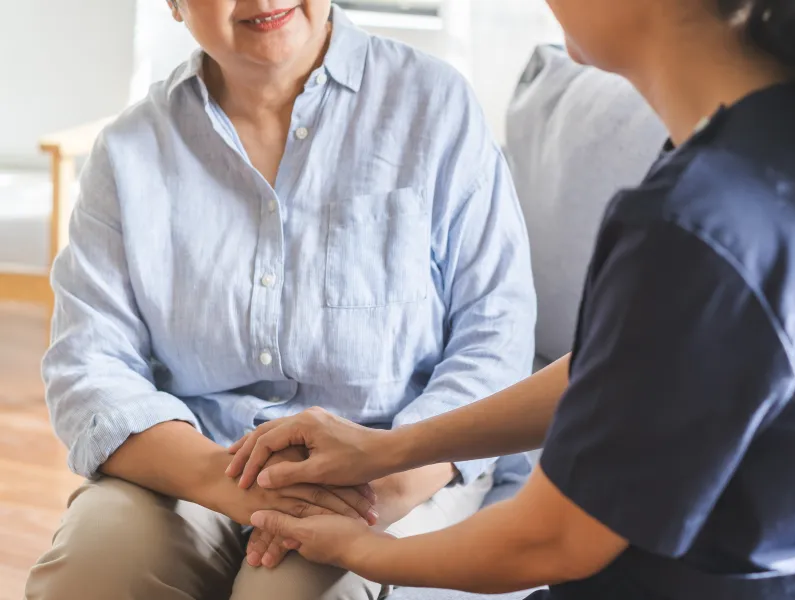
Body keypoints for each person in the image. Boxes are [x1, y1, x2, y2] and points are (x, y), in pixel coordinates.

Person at [227, 0, 795, 598]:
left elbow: (552, 539)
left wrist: (360, 550)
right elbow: (628, 376)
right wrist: (389, 448)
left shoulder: (699, 223)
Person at [25, 1, 537, 599]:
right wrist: (230, 483)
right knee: (92, 568)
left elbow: (496, 336)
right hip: (197, 467)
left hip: (399, 471)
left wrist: (382, 486)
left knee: (290, 592)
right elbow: (88, 368)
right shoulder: (128, 152)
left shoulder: (435, 105)